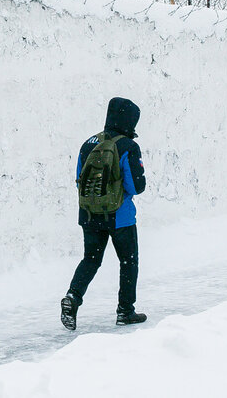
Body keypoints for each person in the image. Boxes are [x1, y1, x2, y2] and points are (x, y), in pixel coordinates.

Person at [60, 97, 147, 330]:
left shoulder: (88, 143)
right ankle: (125, 311)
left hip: (90, 215)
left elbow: (80, 178)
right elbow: (135, 186)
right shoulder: (128, 146)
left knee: (91, 259)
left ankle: (72, 297)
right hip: (120, 217)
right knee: (128, 262)